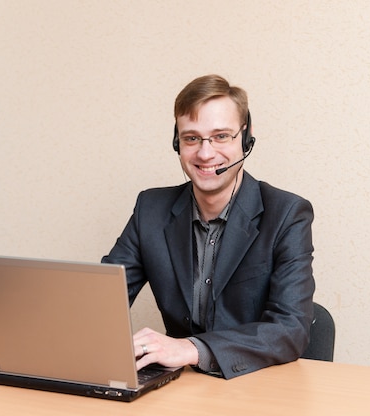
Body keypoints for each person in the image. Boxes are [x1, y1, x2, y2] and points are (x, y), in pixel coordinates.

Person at [102, 74, 315, 379]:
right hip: (182, 388)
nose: (205, 153)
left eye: (220, 136)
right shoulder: (151, 209)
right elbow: (103, 300)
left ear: (246, 138)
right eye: (192, 138)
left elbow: (290, 329)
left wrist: (191, 349)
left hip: (256, 385)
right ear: (177, 142)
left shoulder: (287, 214)